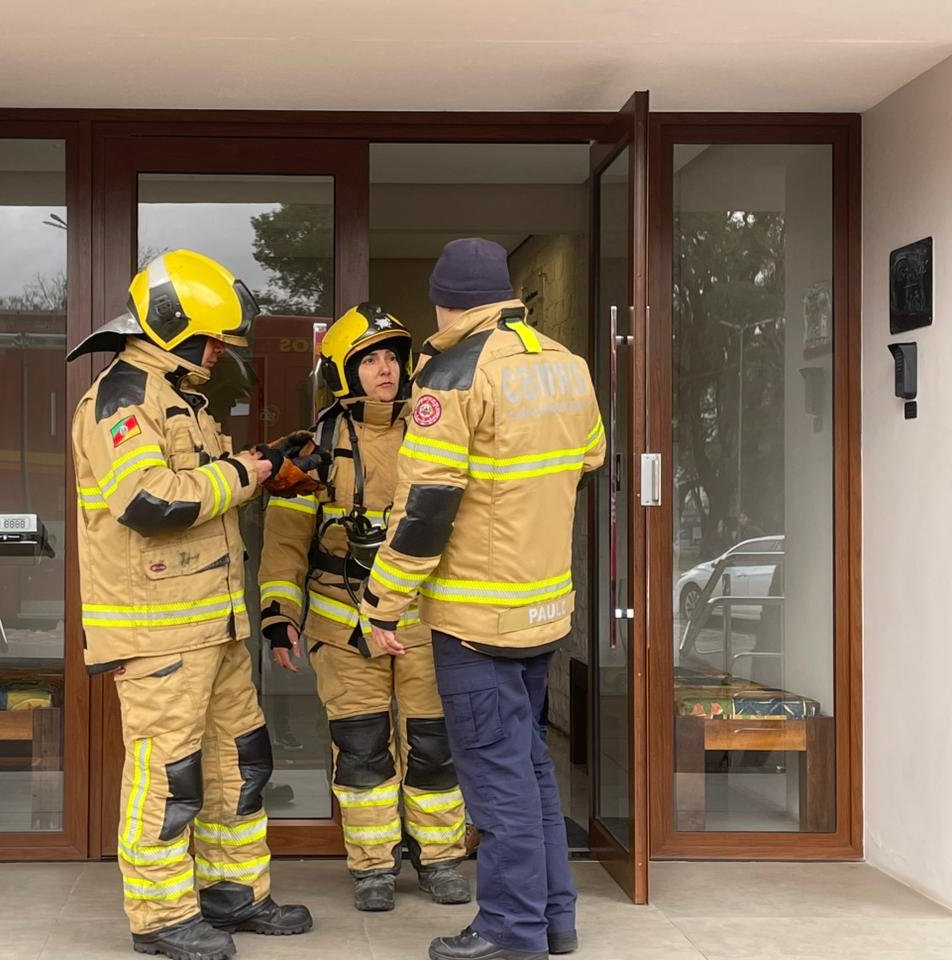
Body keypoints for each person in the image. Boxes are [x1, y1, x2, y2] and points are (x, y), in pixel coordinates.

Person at [360, 239, 606, 960]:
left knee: (498, 782)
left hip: (476, 621)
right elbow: (588, 456)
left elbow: (427, 508)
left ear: (444, 300)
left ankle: (510, 931)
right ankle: (554, 918)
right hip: (543, 610)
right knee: (530, 766)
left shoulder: (451, 374)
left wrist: (383, 603)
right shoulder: (567, 364)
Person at [68, 249, 313, 960]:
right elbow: (150, 500)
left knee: (242, 759)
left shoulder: (177, 398)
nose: (216, 354)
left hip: (212, 623)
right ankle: (161, 917)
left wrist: (258, 467)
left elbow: (200, 483)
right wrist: (244, 473)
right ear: (175, 327)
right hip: (158, 631)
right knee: (167, 777)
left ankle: (234, 894)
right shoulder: (121, 400)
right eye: (211, 340)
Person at [257, 303, 471, 913]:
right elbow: (286, 542)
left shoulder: (436, 432)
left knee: (434, 748)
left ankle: (441, 858)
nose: (386, 370)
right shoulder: (315, 450)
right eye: (370, 359)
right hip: (342, 624)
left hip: (426, 621)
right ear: (345, 374)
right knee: (361, 749)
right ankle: (373, 866)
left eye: (392, 358)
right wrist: (278, 614)